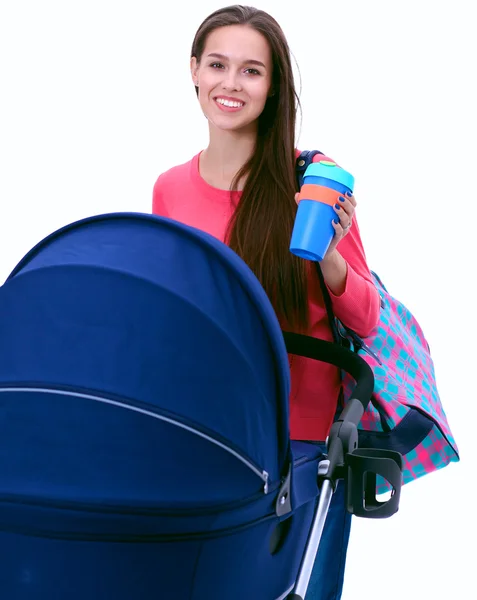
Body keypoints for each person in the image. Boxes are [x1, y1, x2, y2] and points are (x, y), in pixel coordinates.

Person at [152, 5, 380, 599]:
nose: (232, 84)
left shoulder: (311, 182)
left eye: (252, 71)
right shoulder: (170, 188)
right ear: (194, 72)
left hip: (302, 438)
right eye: (219, 65)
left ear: (274, 85)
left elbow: (364, 318)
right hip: (211, 427)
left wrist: (330, 254)